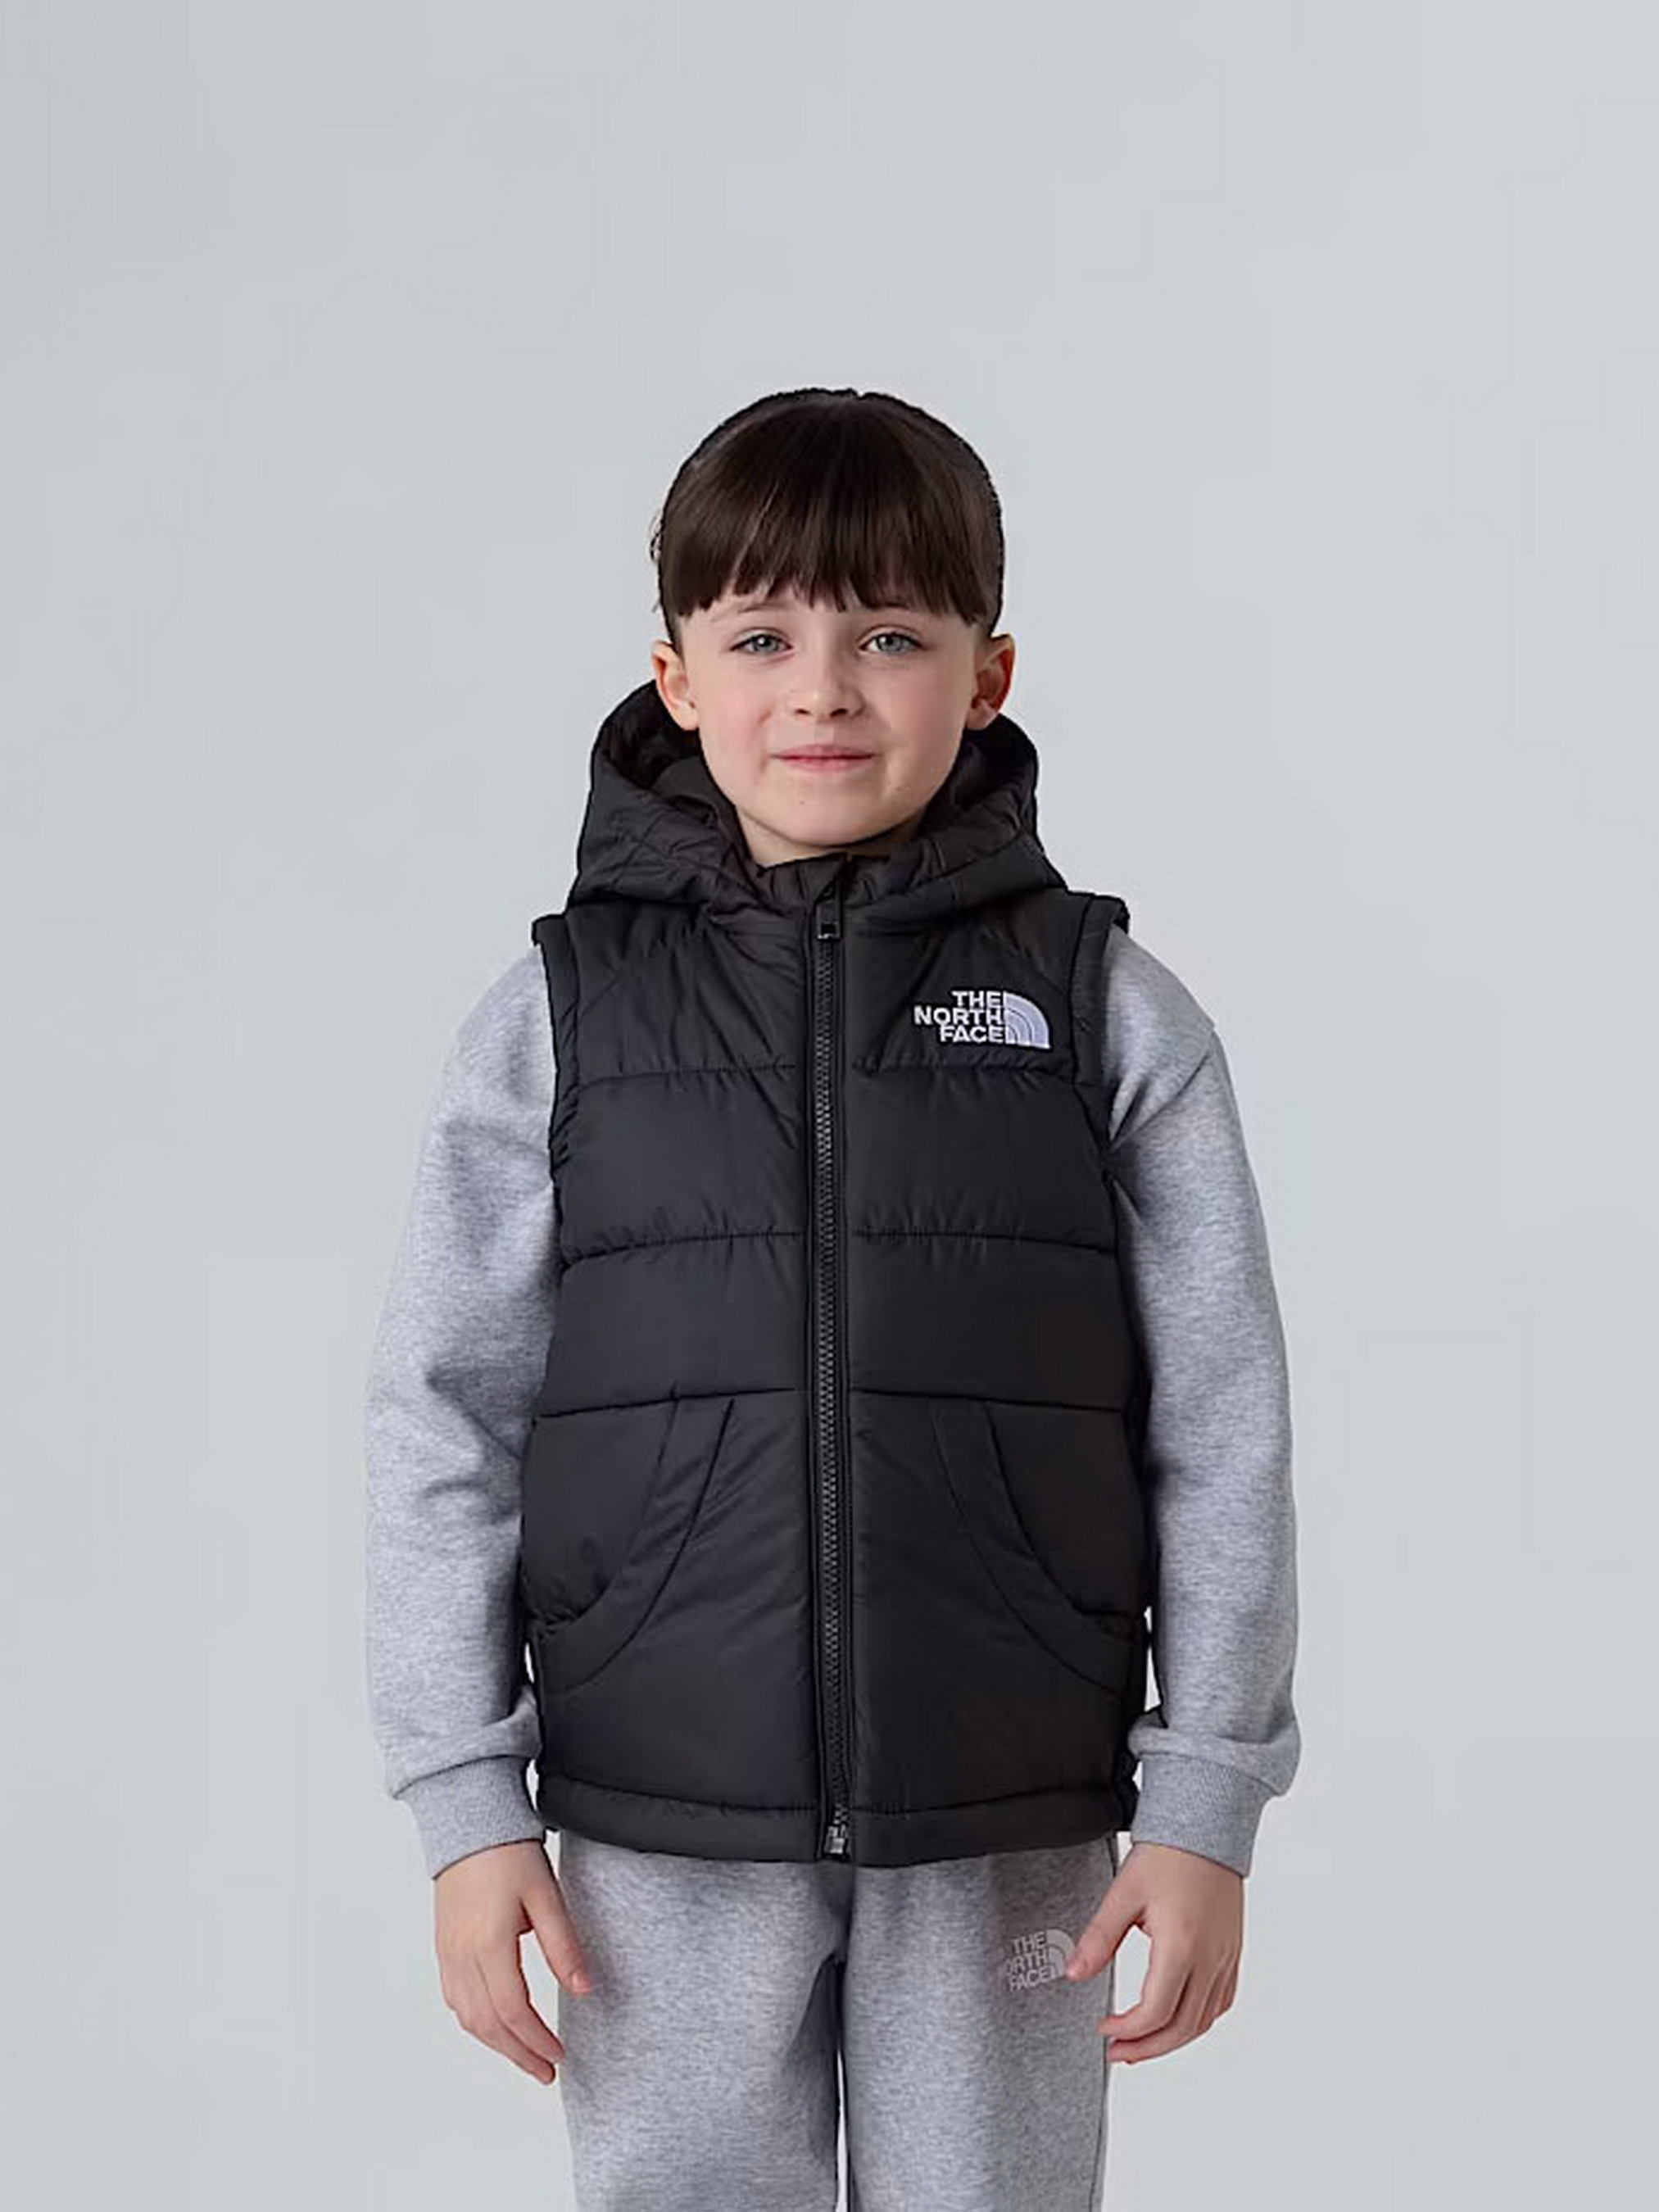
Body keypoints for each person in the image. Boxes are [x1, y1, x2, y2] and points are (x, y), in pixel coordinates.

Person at [364, 386, 1300, 2209]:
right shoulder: (558, 1017)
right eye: (761, 638)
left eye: (888, 636)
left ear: (986, 674)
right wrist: (466, 1805)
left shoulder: (1102, 1011)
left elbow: (1221, 1420)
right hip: (657, 1814)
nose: (823, 691)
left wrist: (1204, 1799)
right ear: (673, 677)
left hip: (1004, 1809)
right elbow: (441, 1416)